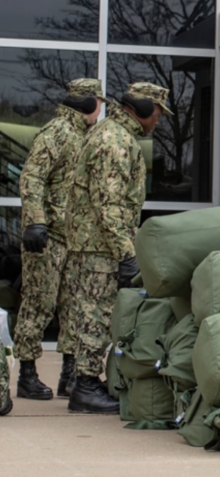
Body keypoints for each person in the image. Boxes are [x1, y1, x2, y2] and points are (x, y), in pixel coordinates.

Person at [63, 83, 171, 414]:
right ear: (140, 108)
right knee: (96, 314)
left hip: (96, 243)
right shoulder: (115, 142)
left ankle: (82, 382)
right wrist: (126, 253)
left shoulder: (111, 134)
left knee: (89, 312)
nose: (158, 121)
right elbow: (108, 205)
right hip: (101, 246)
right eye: (157, 112)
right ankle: (85, 386)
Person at [14, 78, 105, 401]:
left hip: (74, 239)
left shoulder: (85, 136)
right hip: (50, 237)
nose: (100, 111)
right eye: (98, 103)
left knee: (73, 307)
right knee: (40, 303)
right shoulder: (57, 133)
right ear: (87, 104)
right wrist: (35, 222)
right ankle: (27, 374)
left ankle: (70, 372)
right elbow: (32, 177)